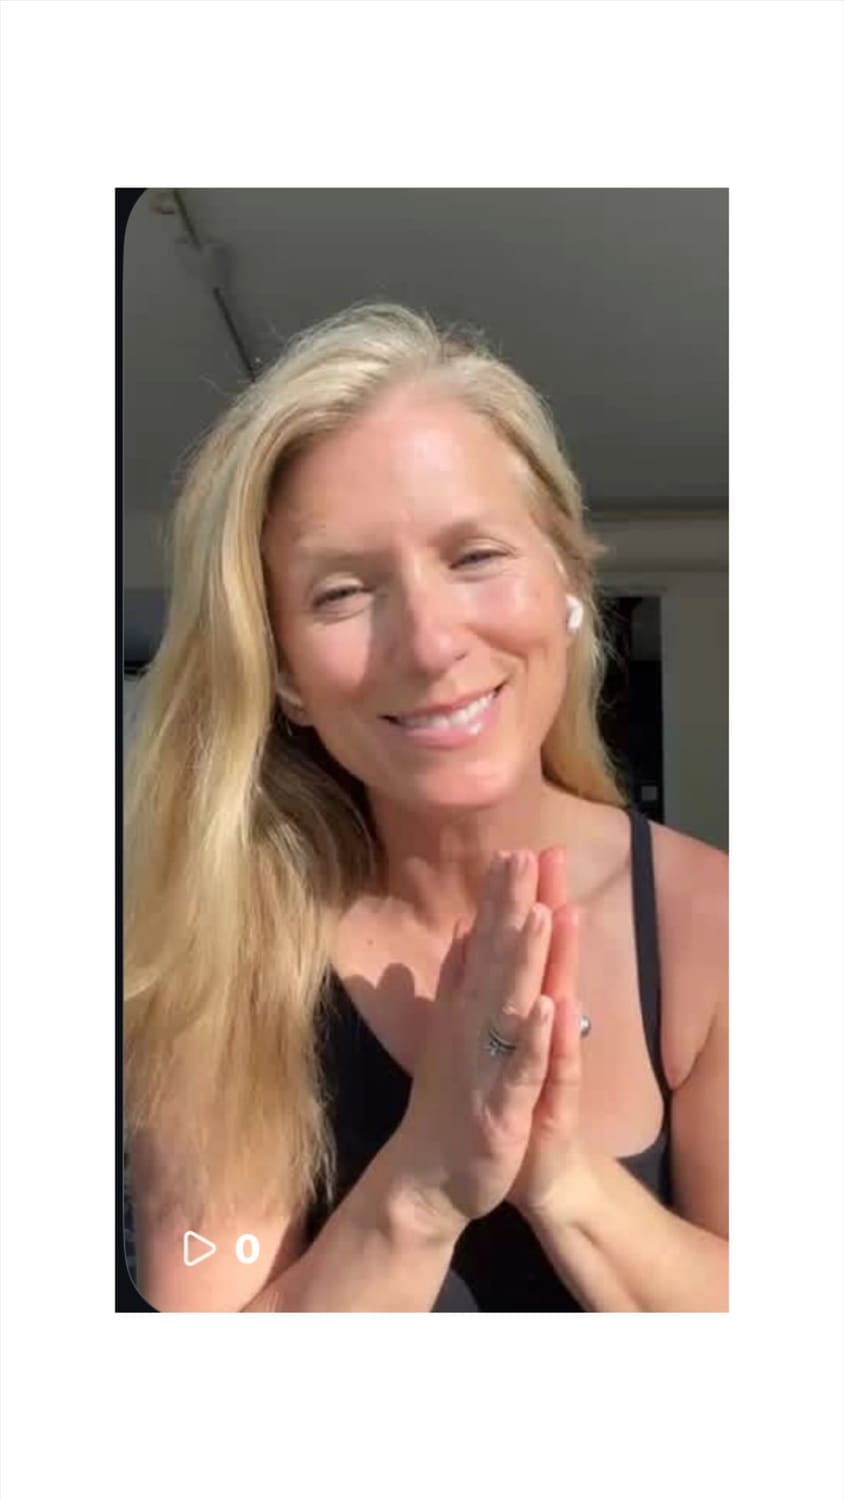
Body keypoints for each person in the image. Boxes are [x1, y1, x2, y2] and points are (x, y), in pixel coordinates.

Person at [124, 303, 728, 1312]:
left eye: (475, 556)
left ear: (567, 580)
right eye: (341, 593)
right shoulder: (215, 959)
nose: (431, 643)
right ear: (282, 673)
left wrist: (560, 1178)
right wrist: (426, 1178)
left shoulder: (718, 924)